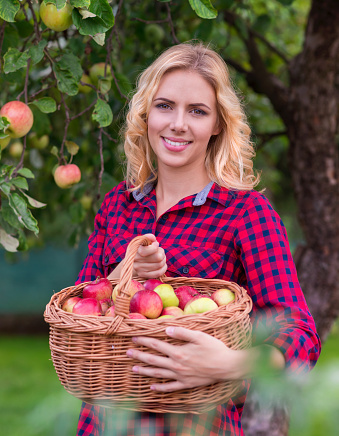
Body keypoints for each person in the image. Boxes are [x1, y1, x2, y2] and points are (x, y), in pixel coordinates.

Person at [75, 42, 321, 436]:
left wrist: (227, 363)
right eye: (165, 106)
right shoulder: (117, 207)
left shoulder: (246, 212)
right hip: (106, 422)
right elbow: (77, 313)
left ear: (218, 124)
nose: (178, 124)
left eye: (198, 111)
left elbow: (301, 336)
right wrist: (127, 270)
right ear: (146, 113)